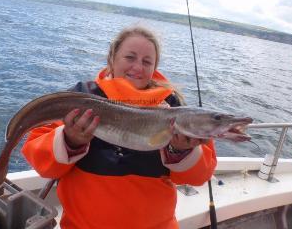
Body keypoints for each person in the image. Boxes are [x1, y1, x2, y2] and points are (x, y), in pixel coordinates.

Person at [22, 26, 217, 229]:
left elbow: (198, 177)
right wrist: (69, 141)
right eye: (130, 57)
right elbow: (41, 162)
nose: (138, 67)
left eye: (147, 61)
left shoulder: (175, 108)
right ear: (113, 58)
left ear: (154, 69)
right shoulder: (82, 98)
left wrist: (181, 151)